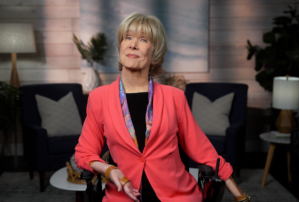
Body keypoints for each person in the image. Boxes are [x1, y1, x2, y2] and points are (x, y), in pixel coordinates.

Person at [75, 12, 251, 202]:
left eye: (143, 39)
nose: (133, 44)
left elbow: (204, 151)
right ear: (121, 45)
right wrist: (110, 170)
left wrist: (240, 196)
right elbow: (84, 153)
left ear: (155, 51)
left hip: (176, 196)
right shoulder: (98, 98)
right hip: (122, 196)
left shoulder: (174, 97)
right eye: (128, 37)